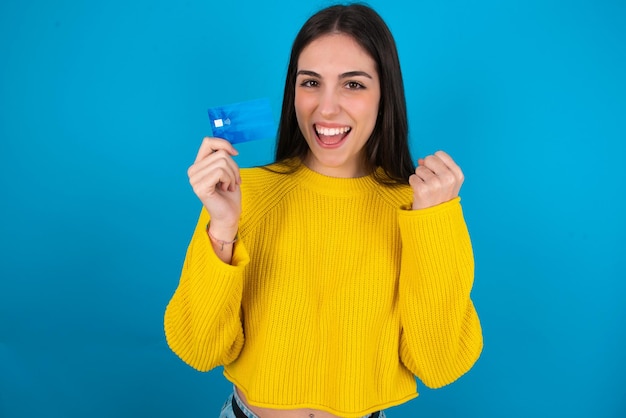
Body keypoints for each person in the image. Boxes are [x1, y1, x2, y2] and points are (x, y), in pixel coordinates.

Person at [164, 3, 483, 418]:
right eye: (311, 82)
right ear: (292, 92)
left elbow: (439, 365)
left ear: (385, 94)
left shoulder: (419, 208)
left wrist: (434, 224)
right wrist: (223, 227)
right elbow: (199, 349)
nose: (327, 108)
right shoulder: (243, 195)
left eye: (353, 85)